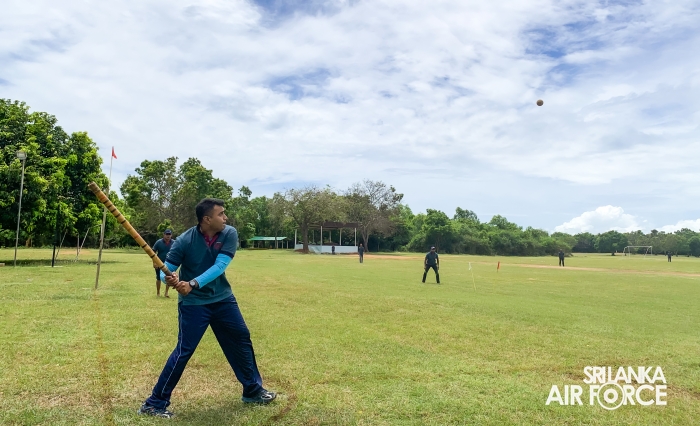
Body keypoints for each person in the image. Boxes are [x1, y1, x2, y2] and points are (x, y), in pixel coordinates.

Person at [138, 198, 276, 418]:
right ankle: (154, 403)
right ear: (207, 219)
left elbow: (220, 266)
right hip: (194, 304)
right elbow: (166, 272)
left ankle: (252, 390)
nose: (225, 217)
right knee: (184, 351)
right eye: (221, 214)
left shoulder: (228, 233)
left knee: (241, 338)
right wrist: (168, 278)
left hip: (222, 299)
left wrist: (192, 283)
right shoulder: (184, 241)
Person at [152, 229, 174, 297]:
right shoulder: (159, 242)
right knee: (158, 277)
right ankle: (158, 293)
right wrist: (154, 262)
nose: (168, 236)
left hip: (169, 263)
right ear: (164, 235)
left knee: (169, 277)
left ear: (171, 235)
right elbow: (153, 252)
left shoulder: (174, 243)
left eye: (169, 234)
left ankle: (166, 293)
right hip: (159, 262)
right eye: (166, 234)